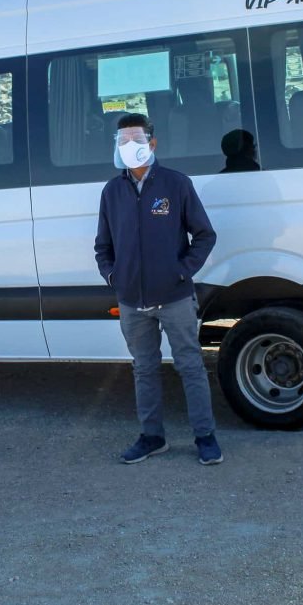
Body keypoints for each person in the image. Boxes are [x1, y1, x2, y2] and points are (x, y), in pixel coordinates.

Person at [95, 113, 223, 465]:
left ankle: (205, 437)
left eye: (135, 139)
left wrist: (181, 273)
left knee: (190, 366)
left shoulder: (176, 184)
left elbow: (204, 235)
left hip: (175, 297)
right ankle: (152, 437)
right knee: (144, 369)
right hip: (132, 301)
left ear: (152, 143)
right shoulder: (112, 192)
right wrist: (113, 277)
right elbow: (102, 248)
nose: (128, 146)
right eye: (122, 141)